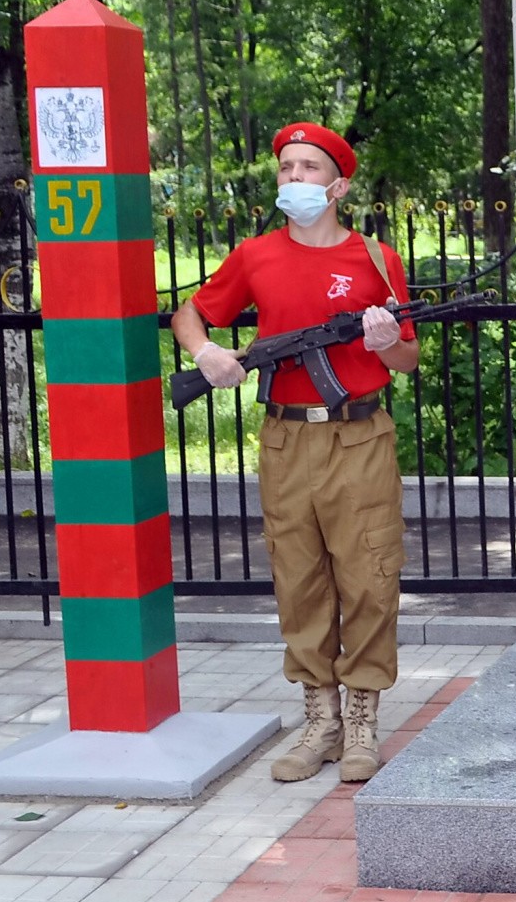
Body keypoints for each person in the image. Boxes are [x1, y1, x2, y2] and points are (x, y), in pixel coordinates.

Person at [171, 122, 418, 783]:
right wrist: (207, 353)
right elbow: (189, 314)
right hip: (285, 436)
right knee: (299, 579)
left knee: (368, 575)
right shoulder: (256, 256)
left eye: (308, 167)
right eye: (286, 168)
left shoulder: (374, 258)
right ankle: (321, 720)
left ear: (338, 184)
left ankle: (362, 720)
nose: (295, 179)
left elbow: (410, 358)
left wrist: (383, 340)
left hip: (359, 434)